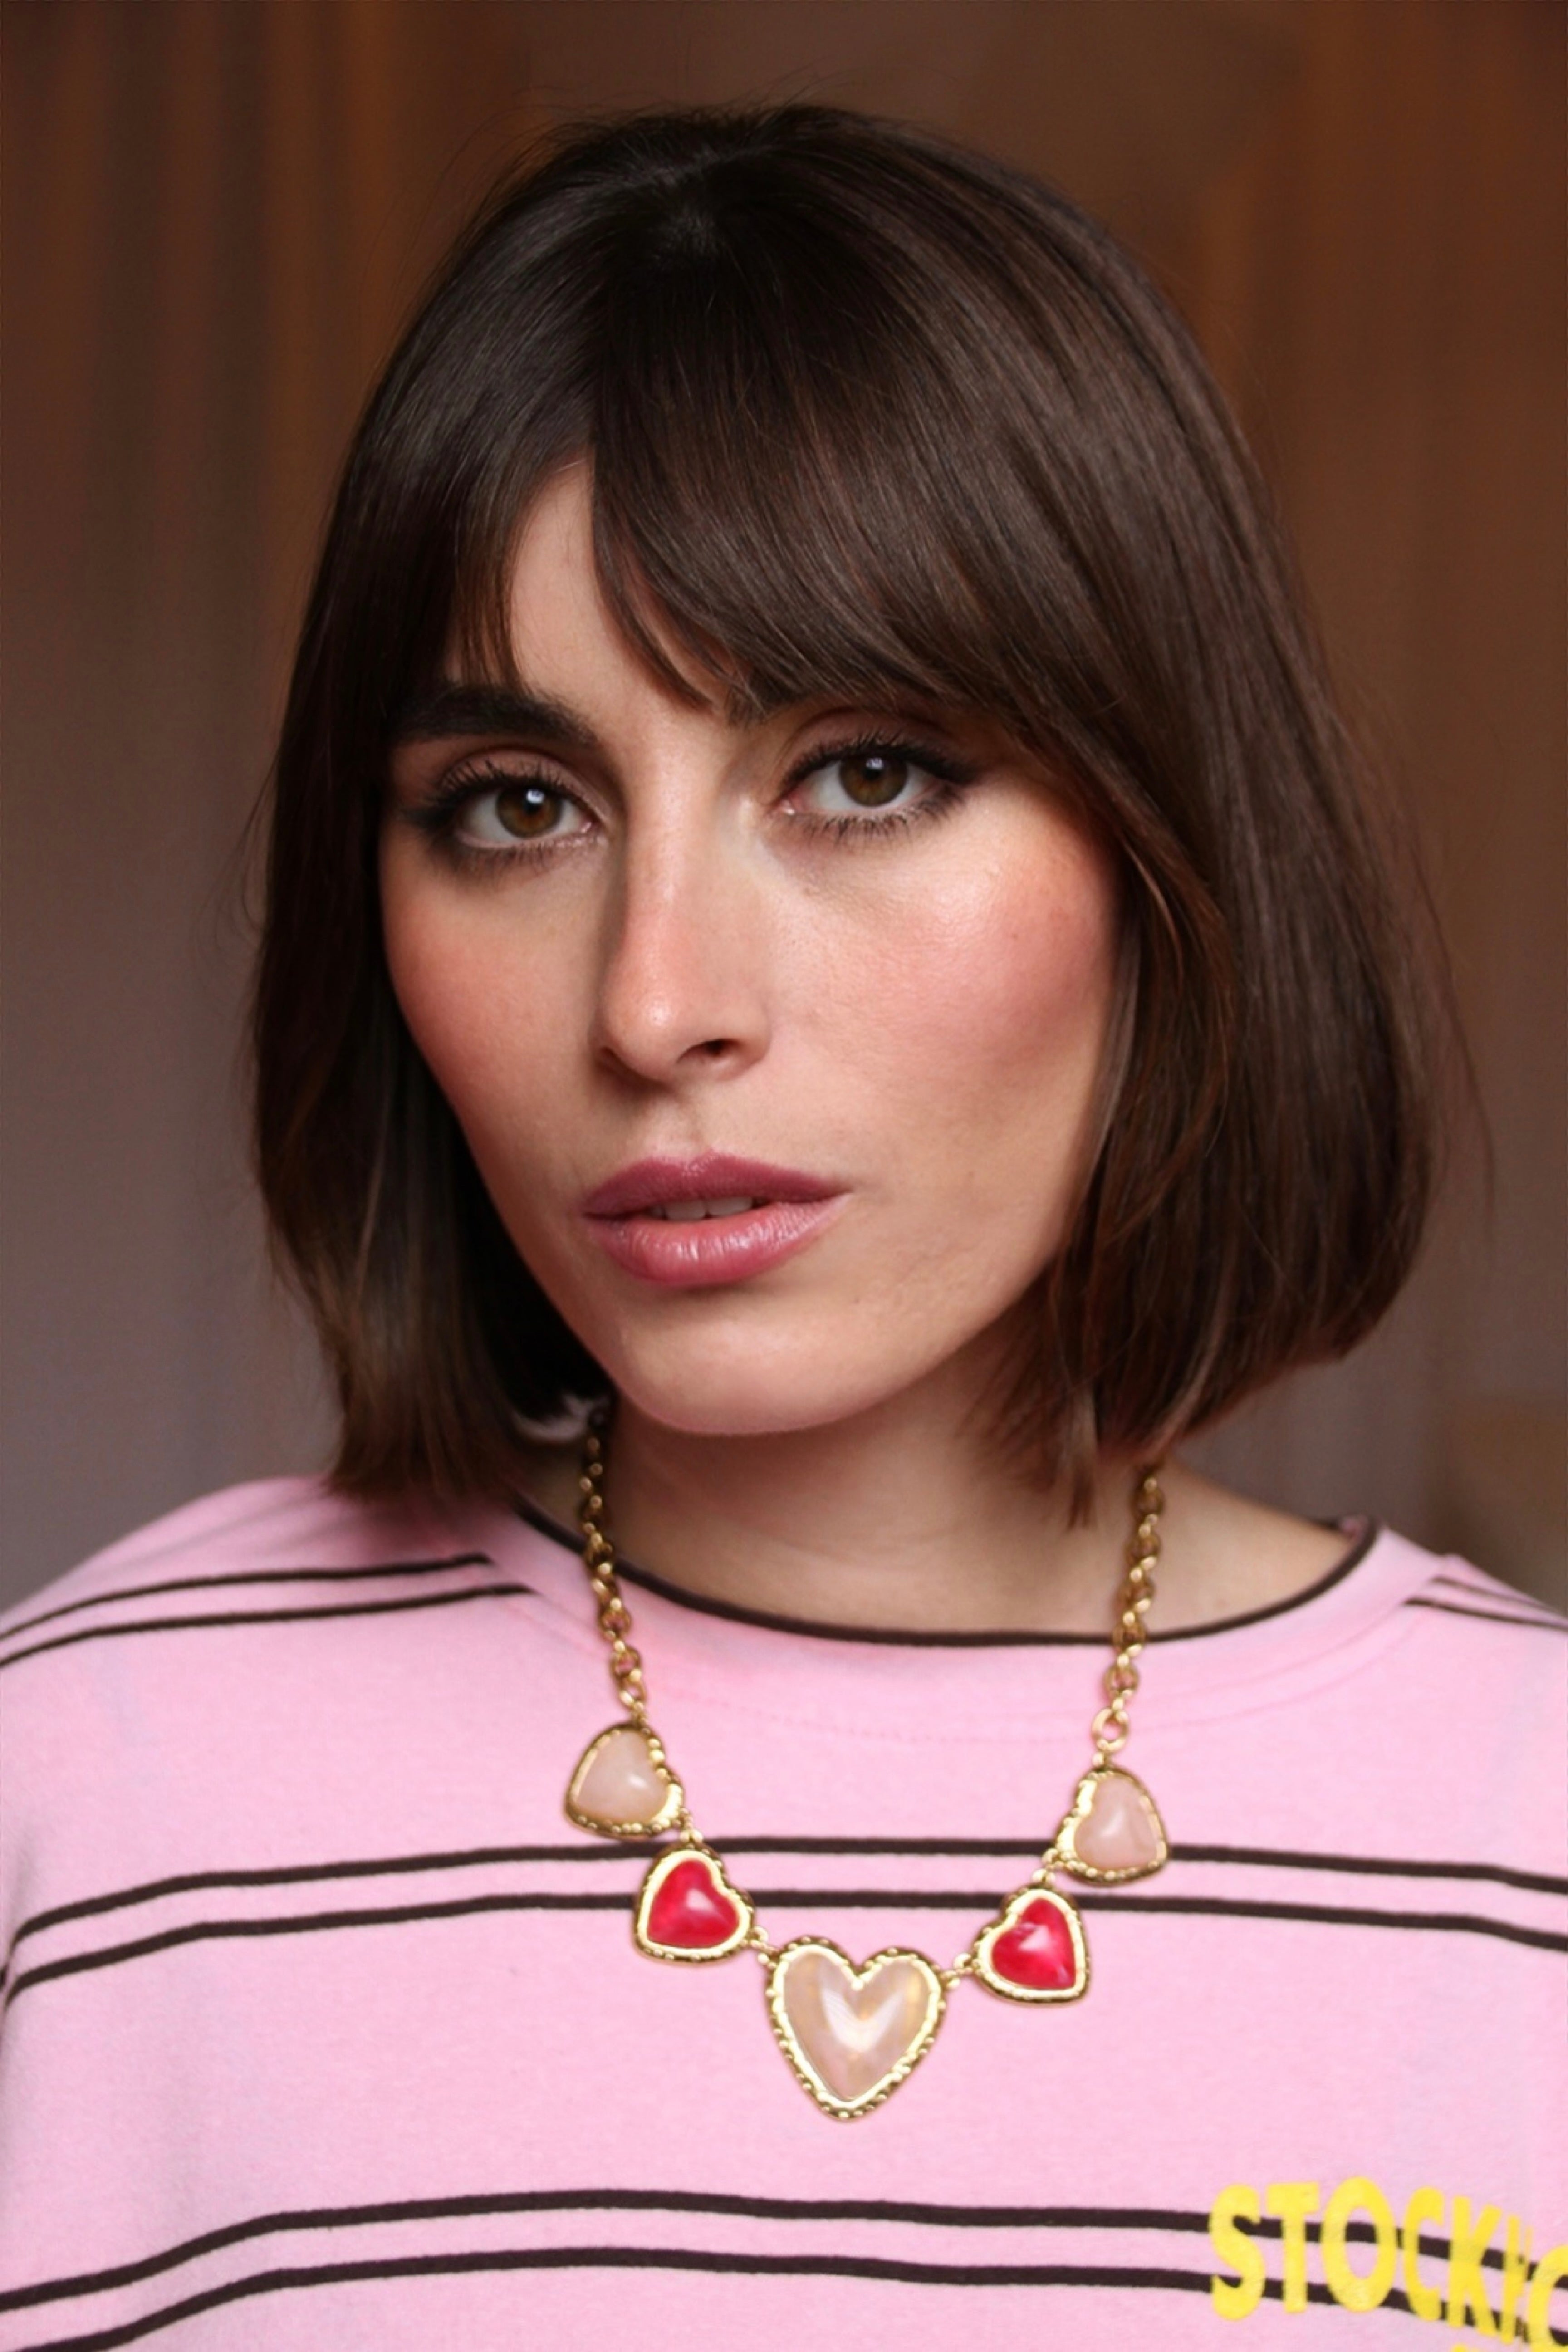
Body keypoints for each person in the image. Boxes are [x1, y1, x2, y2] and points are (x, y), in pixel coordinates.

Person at [0, 104, 1561, 2351]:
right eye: (514, 807)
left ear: (1173, 851)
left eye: (865, 774)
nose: (654, 1006)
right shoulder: (92, 1772)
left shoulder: (1529, 1831)